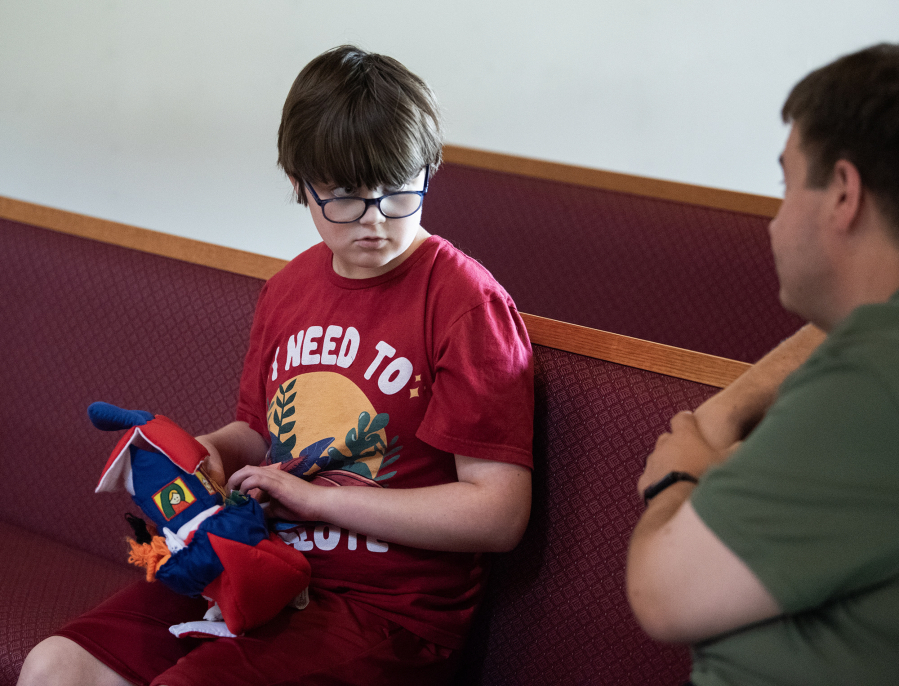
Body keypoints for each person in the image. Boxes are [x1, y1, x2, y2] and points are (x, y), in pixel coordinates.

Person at [18, 45, 534, 686]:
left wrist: (317, 502)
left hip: (388, 614)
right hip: (256, 565)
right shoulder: (288, 288)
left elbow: (498, 513)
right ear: (298, 183)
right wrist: (205, 453)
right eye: (345, 196)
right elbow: (260, 436)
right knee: (54, 666)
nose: (375, 220)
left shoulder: (465, 302)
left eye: (398, 191)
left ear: (428, 170)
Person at [626, 43, 899, 684]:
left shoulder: (871, 384)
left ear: (842, 193)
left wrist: (680, 479)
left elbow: (661, 595)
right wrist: (720, 428)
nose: (775, 223)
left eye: (785, 183)